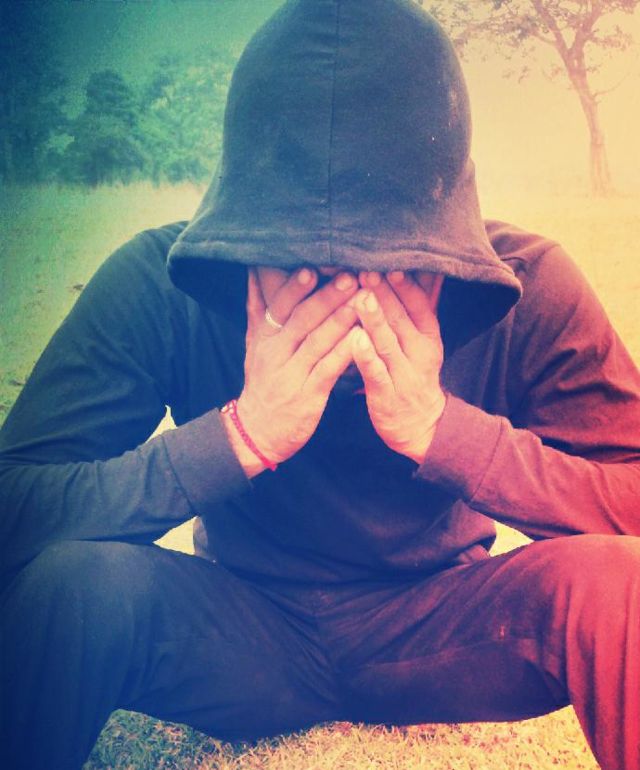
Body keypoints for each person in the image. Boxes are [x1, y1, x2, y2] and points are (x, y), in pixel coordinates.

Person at [1, 1, 639, 768]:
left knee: (620, 581)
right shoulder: (162, 281)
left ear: (443, 232)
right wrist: (236, 438)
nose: (344, 291)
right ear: (242, 230)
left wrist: (448, 434)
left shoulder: (526, 285)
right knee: (72, 584)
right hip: (238, 629)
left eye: (389, 260)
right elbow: (16, 509)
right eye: (301, 260)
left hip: (447, 627)